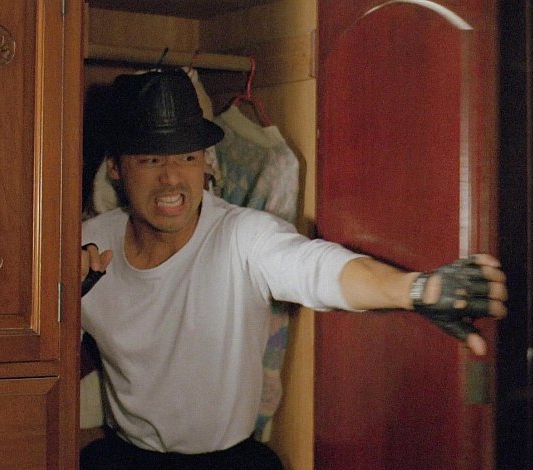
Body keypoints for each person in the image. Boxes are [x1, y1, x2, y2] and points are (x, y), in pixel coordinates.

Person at [78, 69, 507, 469]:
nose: (172, 178)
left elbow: (314, 267)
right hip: (128, 456)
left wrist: (413, 290)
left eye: (186, 157)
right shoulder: (84, 248)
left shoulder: (243, 235)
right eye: (151, 160)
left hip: (227, 460)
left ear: (205, 162)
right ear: (115, 167)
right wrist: (64, 298)